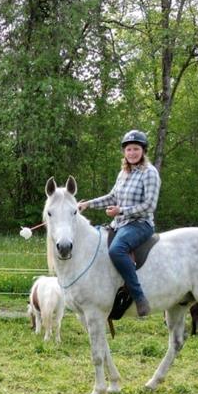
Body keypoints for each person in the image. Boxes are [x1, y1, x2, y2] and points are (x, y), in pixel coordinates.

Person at [77, 129, 161, 317]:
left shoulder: (150, 173)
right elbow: (112, 197)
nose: (132, 153)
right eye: (129, 149)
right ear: (124, 152)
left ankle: (139, 297)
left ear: (143, 151)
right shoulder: (123, 173)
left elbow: (150, 205)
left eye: (136, 149)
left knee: (117, 249)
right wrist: (88, 204)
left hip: (140, 224)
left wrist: (121, 210)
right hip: (119, 224)